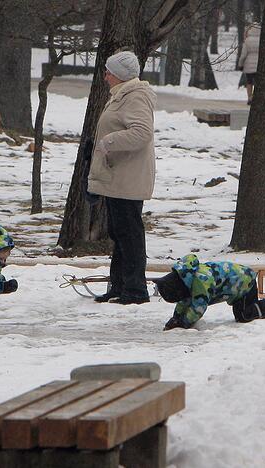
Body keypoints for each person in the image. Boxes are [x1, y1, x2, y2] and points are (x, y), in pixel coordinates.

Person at [87, 50, 157, 305]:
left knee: (129, 234)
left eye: (108, 72)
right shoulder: (122, 95)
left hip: (129, 178)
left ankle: (136, 290)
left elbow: (141, 133)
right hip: (119, 177)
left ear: (119, 75)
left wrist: (109, 142)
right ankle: (119, 286)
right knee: (119, 233)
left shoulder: (135, 96)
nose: (104, 76)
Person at [153, 254, 265, 330]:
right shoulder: (187, 278)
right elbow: (184, 301)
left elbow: (198, 307)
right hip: (238, 284)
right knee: (242, 313)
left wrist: (183, 323)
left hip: (245, 283)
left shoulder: (200, 282)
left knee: (244, 315)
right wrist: (176, 317)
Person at [238, 25, 261, 105]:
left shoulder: (247, 40)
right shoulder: (262, 40)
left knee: (249, 82)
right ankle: (256, 97)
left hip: (249, 65)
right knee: (257, 82)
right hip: (259, 64)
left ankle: (250, 97)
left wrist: (240, 64)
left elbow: (243, 55)